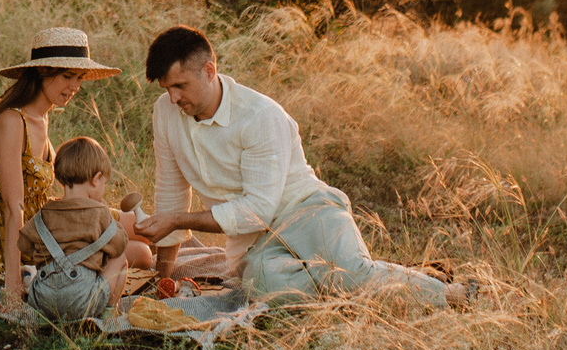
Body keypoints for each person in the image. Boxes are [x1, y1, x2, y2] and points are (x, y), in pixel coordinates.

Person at [135, 24, 453, 307]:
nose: (173, 98)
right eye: (166, 88)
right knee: (261, 286)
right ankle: (373, 279)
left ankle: (451, 294)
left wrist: (177, 219)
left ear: (208, 70)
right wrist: (161, 281)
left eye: (180, 86)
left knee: (351, 274)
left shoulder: (260, 115)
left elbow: (256, 209)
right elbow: (170, 193)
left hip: (308, 211)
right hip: (256, 242)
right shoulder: (165, 112)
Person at [0, 26, 155, 316]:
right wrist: (13, 288)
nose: (76, 86)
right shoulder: (11, 121)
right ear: (43, 72)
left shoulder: (42, 116)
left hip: (48, 226)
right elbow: (13, 207)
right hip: (25, 245)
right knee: (141, 252)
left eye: (79, 77)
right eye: (68, 76)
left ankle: (182, 247)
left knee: (137, 225)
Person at [18, 136, 142, 325]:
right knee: (119, 258)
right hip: (84, 300)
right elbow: (119, 244)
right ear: (96, 179)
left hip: (43, 299)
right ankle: (109, 311)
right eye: (104, 183)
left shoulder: (44, 213)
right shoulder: (99, 213)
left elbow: (24, 245)